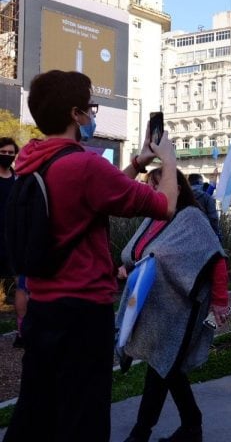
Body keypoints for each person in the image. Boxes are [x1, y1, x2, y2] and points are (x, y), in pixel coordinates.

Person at [4, 70, 178, 441]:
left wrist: (137, 163)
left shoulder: (32, 160)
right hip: (83, 312)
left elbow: (99, 192)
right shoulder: (85, 165)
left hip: (42, 306)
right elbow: (164, 206)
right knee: (83, 416)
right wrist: (170, 161)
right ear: (74, 115)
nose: (91, 115)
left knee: (36, 409)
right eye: (90, 108)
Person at [118, 167, 229, 442]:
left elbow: (216, 258)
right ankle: (192, 426)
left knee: (161, 367)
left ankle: (140, 433)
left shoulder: (191, 218)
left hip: (181, 311)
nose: (153, 190)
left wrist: (220, 302)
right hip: (154, 309)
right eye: (150, 185)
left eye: (159, 184)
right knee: (170, 368)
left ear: (177, 187)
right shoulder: (153, 218)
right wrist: (126, 266)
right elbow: (142, 253)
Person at [0, 137, 24, 348]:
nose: (7, 155)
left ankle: (21, 331)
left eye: (10, 152)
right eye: (3, 152)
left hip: (13, 240)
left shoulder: (17, 179)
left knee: (21, 285)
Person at [188, 173, 220, 239]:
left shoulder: (180, 196)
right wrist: (217, 235)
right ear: (200, 182)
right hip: (205, 234)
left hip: (187, 235)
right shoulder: (206, 196)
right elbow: (213, 218)